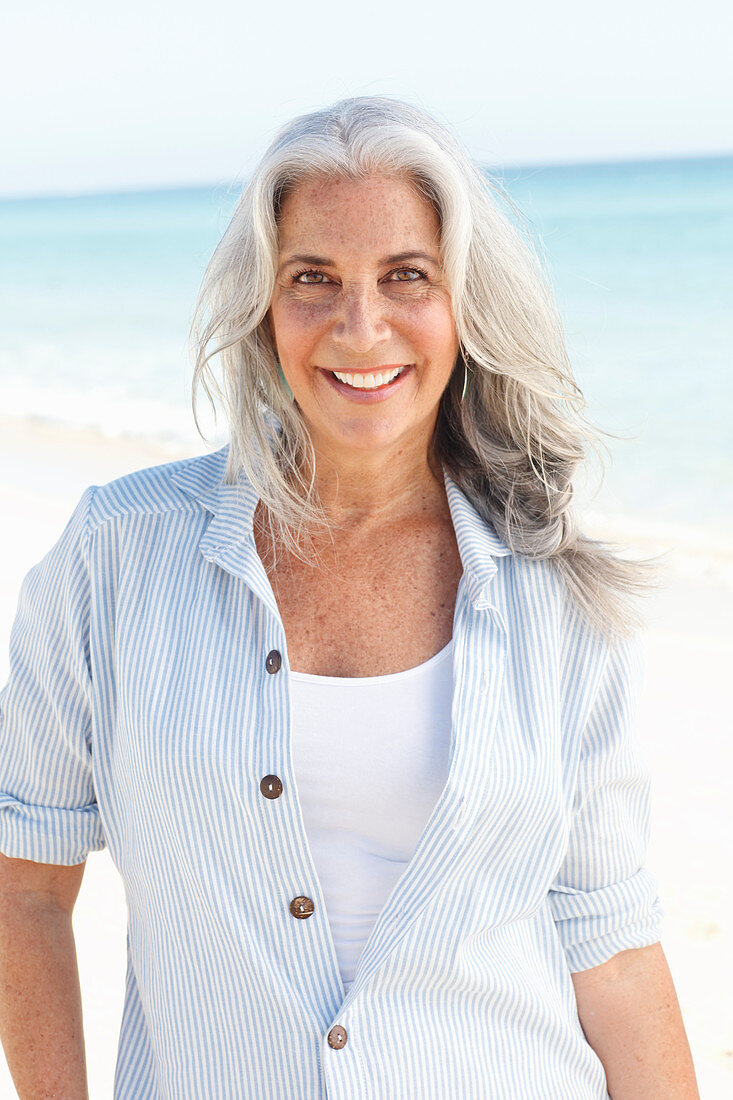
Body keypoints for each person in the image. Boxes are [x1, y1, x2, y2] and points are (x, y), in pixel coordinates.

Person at [0, 97, 699, 1099]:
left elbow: (616, 951)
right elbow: (22, 881)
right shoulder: (114, 557)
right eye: (311, 278)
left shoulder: (553, 590)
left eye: (405, 275)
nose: (358, 324)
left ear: (463, 301)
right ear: (263, 305)